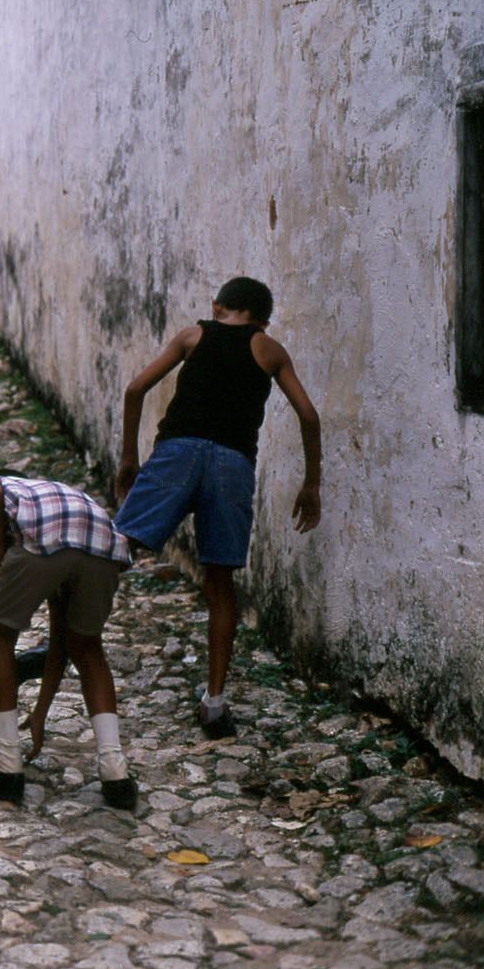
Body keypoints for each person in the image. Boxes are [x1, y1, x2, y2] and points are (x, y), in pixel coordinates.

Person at [114, 276, 322, 740]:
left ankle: (63, 642)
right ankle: (214, 703)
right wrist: (312, 482)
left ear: (216, 306)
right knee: (220, 580)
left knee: (114, 548)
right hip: (232, 465)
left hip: (177, 453)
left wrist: (129, 457)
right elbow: (308, 416)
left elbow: (134, 390)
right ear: (262, 319)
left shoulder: (194, 335)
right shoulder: (269, 349)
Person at [0, 471, 137, 809]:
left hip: (57, 542)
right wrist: (40, 712)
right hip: (103, 547)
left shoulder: (2, 487)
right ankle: (116, 775)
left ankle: (6, 767)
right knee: (88, 648)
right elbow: (60, 642)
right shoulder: (56, 497)